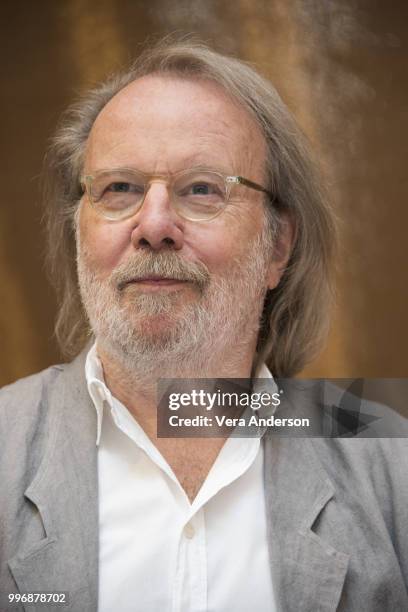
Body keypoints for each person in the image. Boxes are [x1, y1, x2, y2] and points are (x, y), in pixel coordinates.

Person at [1, 38, 407, 612]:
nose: (154, 224)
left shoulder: (389, 459)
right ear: (78, 231)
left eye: (202, 190)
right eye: (119, 189)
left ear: (277, 248)